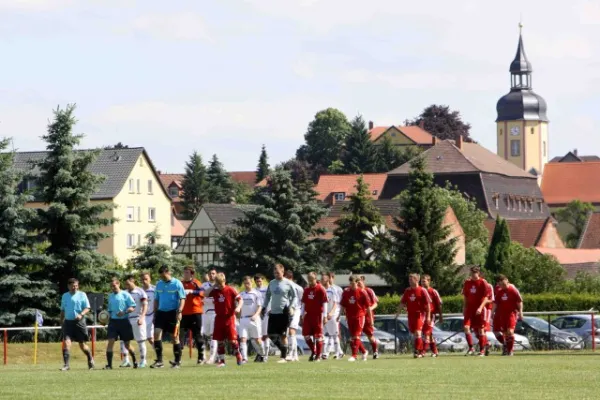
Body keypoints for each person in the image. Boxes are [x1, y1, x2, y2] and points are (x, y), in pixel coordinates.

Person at [151, 264, 186, 369]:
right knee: (157, 334)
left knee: (174, 337)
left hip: (173, 313)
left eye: (163, 276)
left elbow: (182, 298)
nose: (162, 278)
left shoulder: (177, 283)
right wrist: (155, 313)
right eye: (161, 276)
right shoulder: (159, 284)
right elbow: (156, 299)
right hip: (161, 313)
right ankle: (159, 361)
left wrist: (179, 311)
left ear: (168, 272)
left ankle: (177, 361)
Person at [206, 272, 243, 367]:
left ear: (225, 281)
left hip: (229, 318)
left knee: (233, 340)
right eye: (218, 284)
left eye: (221, 283)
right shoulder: (215, 291)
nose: (220, 286)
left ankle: (238, 355)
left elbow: (240, 299)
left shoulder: (230, 289)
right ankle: (222, 361)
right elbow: (205, 294)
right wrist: (214, 286)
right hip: (219, 318)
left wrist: (238, 307)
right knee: (220, 340)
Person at [262, 263, 297, 363]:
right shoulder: (272, 283)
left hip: (284, 312)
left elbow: (294, 297)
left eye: (278, 273)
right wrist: (264, 307)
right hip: (273, 312)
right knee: (271, 334)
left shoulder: (288, 283)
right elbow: (268, 296)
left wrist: (291, 307)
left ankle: (283, 357)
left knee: (283, 335)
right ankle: (284, 350)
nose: (276, 275)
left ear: (283, 272)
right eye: (274, 273)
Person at [59, 278, 94, 371]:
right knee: (66, 343)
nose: (75, 287)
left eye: (76, 286)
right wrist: (61, 321)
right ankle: (66, 365)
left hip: (79, 323)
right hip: (68, 323)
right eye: (73, 286)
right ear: (68, 286)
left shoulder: (82, 295)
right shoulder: (65, 296)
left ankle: (90, 358)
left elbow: (87, 308)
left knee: (82, 345)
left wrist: (81, 314)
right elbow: (62, 310)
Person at [104, 278, 137, 370]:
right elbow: (109, 311)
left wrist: (124, 312)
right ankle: (109, 365)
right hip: (113, 322)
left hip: (124, 322)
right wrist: (105, 319)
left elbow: (132, 307)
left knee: (127, 344)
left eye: (114, 285)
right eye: (111, 286)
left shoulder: (125, 294)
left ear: (118, 284)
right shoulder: (110, 296)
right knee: (110, 342)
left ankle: (134, 360)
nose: (112, 287)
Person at [397, 273, 431, 358]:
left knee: (418, 333)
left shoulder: (422, 290)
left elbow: (428, 305)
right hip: (410, 315)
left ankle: (417, 351)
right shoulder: (407, 291)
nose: (409, 281)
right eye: (409, 279)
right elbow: (402, 303)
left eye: (411, 279)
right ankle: (421, 349)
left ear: (416, 280)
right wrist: (397, 313)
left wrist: (428, 316)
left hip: (420, 314)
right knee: (414, 333)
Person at [462, 266, 492, 356]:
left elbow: (487, 297)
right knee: (466, 327)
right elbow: (465, 297)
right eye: (472, 273)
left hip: (480, 309)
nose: (473, 274)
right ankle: (471, 348)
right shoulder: (467, 283)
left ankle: (482, 350)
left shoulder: (483, 282)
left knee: (480, 330)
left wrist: (480, 307)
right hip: (470, 309)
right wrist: (464, 308)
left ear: (478, 273)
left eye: (475, 273)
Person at [340, 276, 371, 362]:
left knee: (357, 336)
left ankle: (354, 355)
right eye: (350, 283)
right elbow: (343, 305)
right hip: (350, 317)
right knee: (353, 337)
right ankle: (364, 352)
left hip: (360, 316)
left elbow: (368, 307)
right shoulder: (346, 292)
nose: (351, 285)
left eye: (353, 283)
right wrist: (339, 315)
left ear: (357, 282)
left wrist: (371, 320)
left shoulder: (362, 292)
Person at [492, 275, 523, 356]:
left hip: (511, 314)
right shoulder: (500, 292)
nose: (503, 286)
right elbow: (495, 302)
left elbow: (519, 301)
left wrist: (520, 312)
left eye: (504, 284)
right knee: (505, 333)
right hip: (502, 314)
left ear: (507, 281)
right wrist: (492, 312)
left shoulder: (513, 290)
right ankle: (507, 350)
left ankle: (510, 351)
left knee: (510, 331)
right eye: (501, 285)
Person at [122, 275, 149, 367]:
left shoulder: (140, 292)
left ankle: (143, 361)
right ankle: (126, 361)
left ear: (133, 282)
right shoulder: (124, 293)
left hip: (137, 318)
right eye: (125, 284)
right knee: (124, 341)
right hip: (126, 320)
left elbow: (145, 305)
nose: (126, 286)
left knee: (140, 341)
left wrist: (142, 317)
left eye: (128, 284)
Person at [301, 272, 328, 361]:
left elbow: (325, 303)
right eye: (309, 279)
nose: (310, 281)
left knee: (318, 336)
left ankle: (318, 356)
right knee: (306, 335)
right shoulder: (306, 289)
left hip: (318, 316)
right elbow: (304, 303)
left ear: (315, 279)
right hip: (308, 315)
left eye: (311, 279)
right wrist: (302, 314)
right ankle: (314, 351)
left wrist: (324, 316)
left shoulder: (320, 289)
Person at [238, 276, 266, 363]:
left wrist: (256, 315)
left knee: (257, 340)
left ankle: (263, 354)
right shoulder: (241, 294)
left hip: (254, 319)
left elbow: (260, 306)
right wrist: (239, 317)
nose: (247, 285)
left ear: (251, 283)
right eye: (245, 283)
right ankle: (244, 358)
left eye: (249, 283)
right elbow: (239, 307)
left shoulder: (256, 293)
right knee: (243, 339)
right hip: (243, 319)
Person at [181, 266, 205, 364]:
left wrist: (192, 291)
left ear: (192, 274)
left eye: (187, 272)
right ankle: (178, 358)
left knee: (197, 335)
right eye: (184, 272)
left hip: (195, 312)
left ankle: (200, 356)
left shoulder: (196, 282)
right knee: (180, 335)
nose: (185, 274)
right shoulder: (180, 283)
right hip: (183, 313)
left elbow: (202, 292)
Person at [321, 272, 343, 360]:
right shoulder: (322, 290)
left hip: (332, 314)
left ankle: (337, 353)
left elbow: (336, 303)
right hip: (324, 315)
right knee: (324, 334)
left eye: (323, 279)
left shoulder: (333, 290)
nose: (321, 280)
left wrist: (331, 313)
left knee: (334, 334)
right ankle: (325, 353)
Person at [421, 274, 443, 357]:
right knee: (429, 334)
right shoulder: (421, 291)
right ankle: (435, 351)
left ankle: (422, 352)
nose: (422, 283)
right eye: (421, 281)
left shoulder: (433, 291)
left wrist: (440, 316)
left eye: (424, 281)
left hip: (431, 315)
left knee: (427, 333)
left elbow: (439, 304)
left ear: (429, 281)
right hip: (423, 315)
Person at [284, 269, 304, 362]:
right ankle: (295, 355)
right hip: (287, 311)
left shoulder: (298, 288)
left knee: (292, 331)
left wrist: (301, 313)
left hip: (295, 311)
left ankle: (290, 354)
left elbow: (302, 301)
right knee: (289, 333)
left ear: (290, 278)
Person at [358, 276, 379, 359]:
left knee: (370, 336)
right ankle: (363, 351)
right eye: (356, 281)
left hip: (367, 317)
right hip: (358, 317)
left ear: (363, 281)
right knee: (355, 336)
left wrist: (370, 308)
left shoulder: (369, 290)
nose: (357, 283)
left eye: (358, 280)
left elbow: (376, 303)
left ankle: (375, 351)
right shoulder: (355, 291)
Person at [201, 268, 218, 364]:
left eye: (213, 273)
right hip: (205, 313)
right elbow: (202, 295)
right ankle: (203, 356)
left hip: (215, 313)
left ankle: (212, 357)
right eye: (210, 274)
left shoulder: (219, 286)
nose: (212, 275)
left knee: (213, 335)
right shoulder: (204, 285)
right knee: (202, 334)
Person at [140, 272, 157, 361]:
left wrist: (156, 314)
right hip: (142, 316)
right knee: (143, 338)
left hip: (152, 315)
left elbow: (158, 301)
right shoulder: (139, 290)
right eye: (142, 279)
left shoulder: (155, 289)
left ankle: (158, 355)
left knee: (150, 338)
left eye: (146, 279)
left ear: (150, 279)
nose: (144, 281)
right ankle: (143, 359)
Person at [254, 274, 271, 361]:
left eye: (260, 280)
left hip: (266, 314)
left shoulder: (267, 289)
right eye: (257, 281)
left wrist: (269, 310)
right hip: (257, 315)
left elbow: (270, 299)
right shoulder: (254, 291)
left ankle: (266, 356)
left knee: (265, 335)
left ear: (263, 280)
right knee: (257, 336)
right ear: (255, 282)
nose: (259, 282)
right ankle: (260, 354)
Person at [330, 272, 345, 359]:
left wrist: (340, 313)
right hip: (328, 313)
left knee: (336, 332)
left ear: (333, 278)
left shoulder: (338, 289)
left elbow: (342, 302)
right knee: (330, 333)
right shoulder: (325, 288)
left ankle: (338, 352)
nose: (330, 279)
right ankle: (340, 352)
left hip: (336, 313)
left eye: (331, 277)